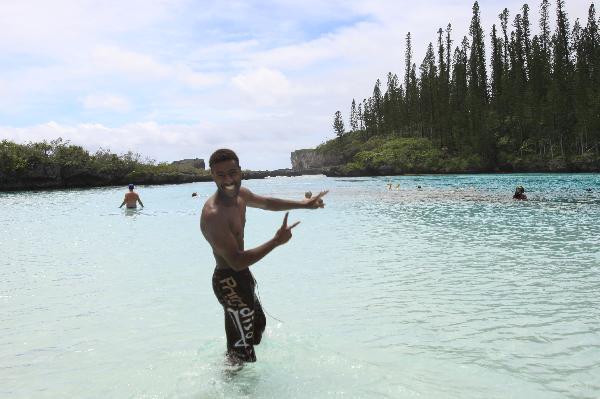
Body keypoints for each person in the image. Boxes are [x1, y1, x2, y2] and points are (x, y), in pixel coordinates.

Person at [200, 149, 327, 363]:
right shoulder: (214, 215)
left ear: (240, 171)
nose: (228, 180)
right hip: (229, 281)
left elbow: (268, 203)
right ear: (212, 176)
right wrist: (276, 241)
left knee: (257, 327)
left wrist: (304, 205)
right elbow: (237, 261)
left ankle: (232, 367)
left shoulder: (242, 195)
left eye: (232, 173)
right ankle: (233, 386)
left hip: (242, 277)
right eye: (221, 175)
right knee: (242, 352)